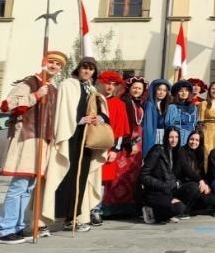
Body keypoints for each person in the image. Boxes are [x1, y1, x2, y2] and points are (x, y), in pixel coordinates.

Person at [0, 50, 65, 244]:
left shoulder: (54, 88)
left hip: (42, 140)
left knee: (28, 187)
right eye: (51, 62)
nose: (54, 66)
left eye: (58, 64)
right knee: (19, 185)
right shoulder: (30, 83)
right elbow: (7, 105)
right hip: (26, 138)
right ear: (45, 63)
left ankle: (18, 226)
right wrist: (36, 95)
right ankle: (5, 228)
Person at [42, 57, 107, 232]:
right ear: (78, 69)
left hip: (86, 141)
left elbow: (103, 113)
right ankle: (45, 220)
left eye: (91, 69)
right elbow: (62, 112)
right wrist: (80, 120)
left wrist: (99, 118)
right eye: (85, 68)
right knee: (63, 176)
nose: (87, 71)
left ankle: (73, 218)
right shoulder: (68, 85)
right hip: (69, 137)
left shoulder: (93, 90)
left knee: (81, 178)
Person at [102, 75, 147, 217]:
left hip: (138, 141)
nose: (137, 90)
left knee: (132, 176)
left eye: (140, 88)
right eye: (135, 88)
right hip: (127, 142)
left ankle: (128, 206)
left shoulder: (138, 103)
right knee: (119, 175)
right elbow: (123, 124)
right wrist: (130, 143)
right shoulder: (125, 101)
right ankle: (113, 207)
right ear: (129, 88)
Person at [95, 71, 131, 226]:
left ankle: (96, 210)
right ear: (102, 83)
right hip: (91, 146)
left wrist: (115, 150)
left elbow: (121, 130)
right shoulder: (94, 101)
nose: (110, 87)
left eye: (113, 84)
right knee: (89, 178)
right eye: (107, 83)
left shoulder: (119, 104)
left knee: (102, 181)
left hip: (108, 147)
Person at [139, 127, 185, 224]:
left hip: (168, 192)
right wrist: (163, 185)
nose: (174, 140)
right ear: (166, 138)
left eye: (176, 137)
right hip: (154, 192)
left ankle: (162, 214)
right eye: (171, 137)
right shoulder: (158, 150)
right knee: (176, 208)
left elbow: (179, 174)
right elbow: (144, 176)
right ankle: (149, 209)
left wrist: (177, 183)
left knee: (181, 206)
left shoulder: (176, 153)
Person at [173, 131, 214, 216]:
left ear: (200, 142)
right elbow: (186, 169)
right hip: (182, 184)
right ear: (188, 139)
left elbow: (203, 173)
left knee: (210, 199)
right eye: (192, 139)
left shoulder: (201, 153)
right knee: (194, 187)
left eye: (197, 140)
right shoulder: (182, 151)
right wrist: (200, 181)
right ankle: (184, 211)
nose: (194, 142)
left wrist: (206, 185)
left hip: (196, 184)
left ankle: (191, 210)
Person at [143, 79, 171, 157]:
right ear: (154, 90)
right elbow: (148, 127)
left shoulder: (166, 105)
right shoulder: (150, 105)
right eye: (159, 89)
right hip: (153, 136)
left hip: (163, 136)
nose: (162, 92)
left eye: (164, 90)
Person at [165, 80, 198, 147]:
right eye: (181, 91)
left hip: (192, 140)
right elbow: (168, 126)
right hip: (178, 140)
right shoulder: (172, 107)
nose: (184, 93)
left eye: (186, 90)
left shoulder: (194, 108)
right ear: (177, 93)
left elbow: (196, 123)